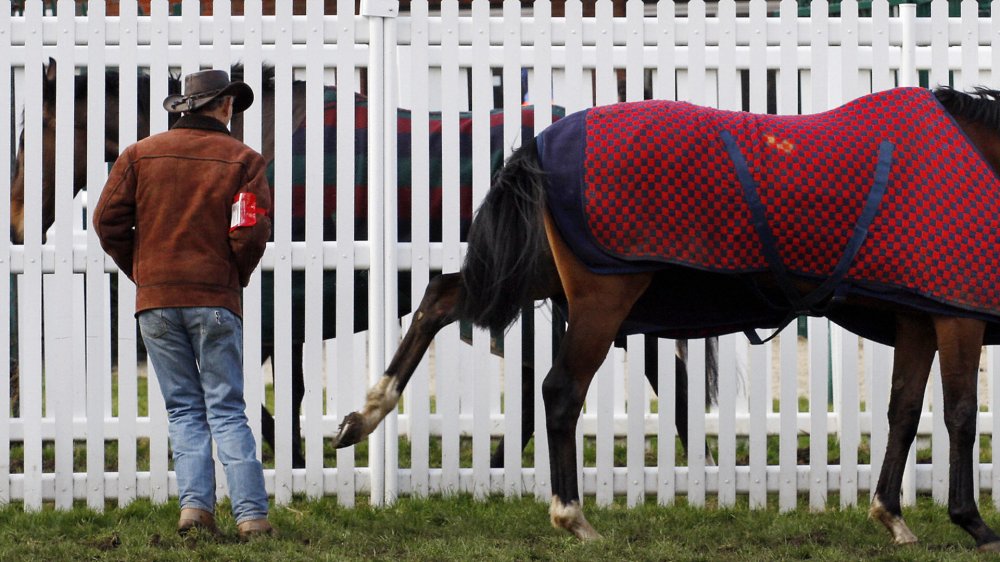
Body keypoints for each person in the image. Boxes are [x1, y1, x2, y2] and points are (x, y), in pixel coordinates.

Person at [92, 69, 274, 539]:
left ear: (186, 107)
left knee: (184, 411)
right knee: (227, 409)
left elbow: (107, 220)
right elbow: (249, 231)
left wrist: (145, 273)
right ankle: (251, 517)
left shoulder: (139, 155)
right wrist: (234, 276)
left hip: (156, 302)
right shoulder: (244, 161)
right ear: (226, 106)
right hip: (214, 298)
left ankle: (195, 511)